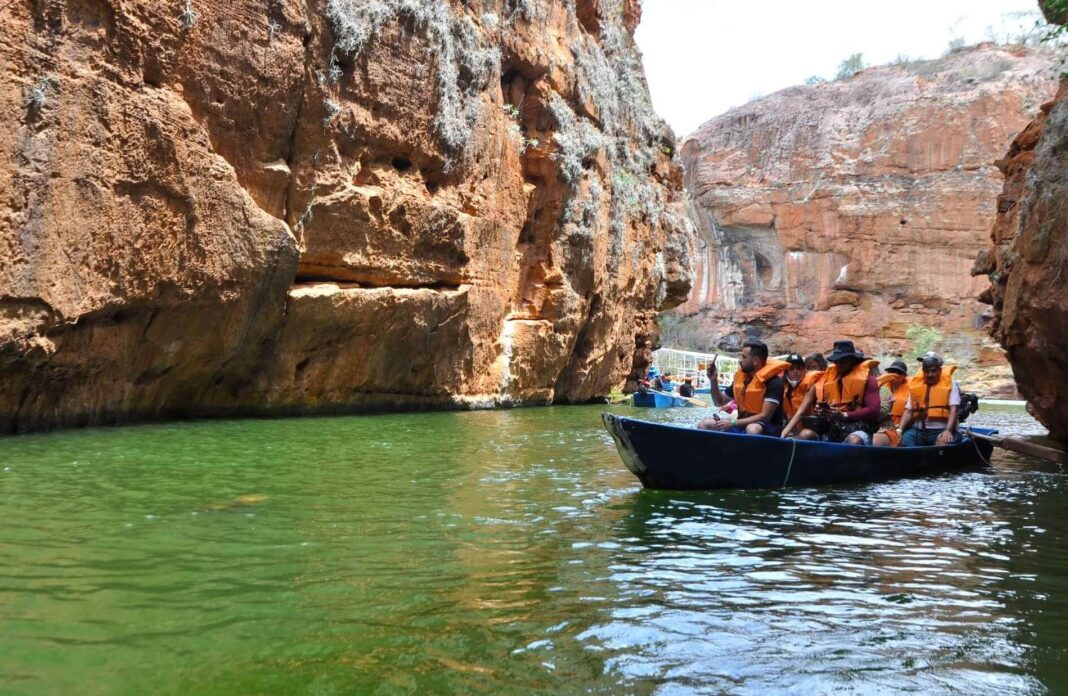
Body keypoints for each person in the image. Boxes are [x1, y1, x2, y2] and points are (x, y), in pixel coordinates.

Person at [781, 339, 881, 444]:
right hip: (832, 429)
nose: (839, 363)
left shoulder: (868, 381)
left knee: (854, 440)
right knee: (806, 434)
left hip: (858, 429)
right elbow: (801, 412)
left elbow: (874, 410)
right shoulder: (828, 380)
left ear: (853, 360)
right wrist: (823, 412)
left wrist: (845, 415)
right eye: (837, 360)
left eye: (843, 360)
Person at [698, 340, 790, 436]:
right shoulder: (742, 379)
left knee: (752, 429)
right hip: (742, 424)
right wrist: (713, 380)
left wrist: (732, 423)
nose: (740, 360)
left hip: (767, 428)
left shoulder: (774, 383)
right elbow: (719, 402)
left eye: (744, 357)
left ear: (755, 361)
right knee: (705, 424)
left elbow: (765, 416)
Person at [898, 353, 962, 446]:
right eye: (927, 371)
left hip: (941, 430)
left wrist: (948, 430)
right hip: (918, 431)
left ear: (939, 371)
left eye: (933, 371)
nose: (930, 374)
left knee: (942, 442)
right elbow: (908, 411)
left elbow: (954, 410)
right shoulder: (916, 386)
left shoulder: (950, 384)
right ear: (923, 371)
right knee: (899, 441)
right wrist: (899, 430)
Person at [872, 360, 909, 447]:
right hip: (881, 425)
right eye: (892, 372)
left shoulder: (910, 389)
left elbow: (910, 412)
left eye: (898, 372)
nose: (894, 375)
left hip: (903, 427)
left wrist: (900, 429)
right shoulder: (882, 387)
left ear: (904, 376)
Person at [782, 353, 824, 422]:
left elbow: (800, 413)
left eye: (798, 368)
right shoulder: (780, 386)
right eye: (791, 369)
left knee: (806, 433)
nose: (795, 371)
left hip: (810, 425)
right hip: (789, 423)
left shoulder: (811, 385)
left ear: (803, 370)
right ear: (786, 371)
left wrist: (784, 433)